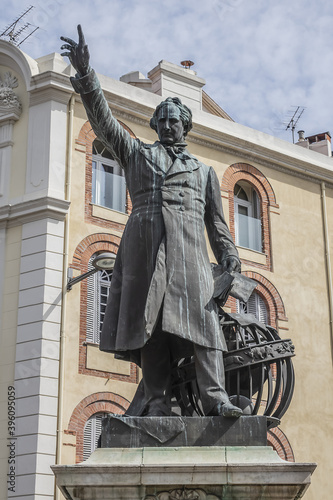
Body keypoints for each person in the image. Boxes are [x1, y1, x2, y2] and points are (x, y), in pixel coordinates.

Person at [61, 26, 243, 417]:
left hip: (190, 254)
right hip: (144, 251)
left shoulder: (203, 171)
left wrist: (230, 258)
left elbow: (218, 225)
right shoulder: (137, 154)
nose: (165, 125)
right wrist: (87, 76)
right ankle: (157, 403)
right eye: (160, 120)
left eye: (173, 120)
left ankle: (216, 399)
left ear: (186, 126)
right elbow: (104, 122)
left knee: (204, 323)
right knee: (153, 328)